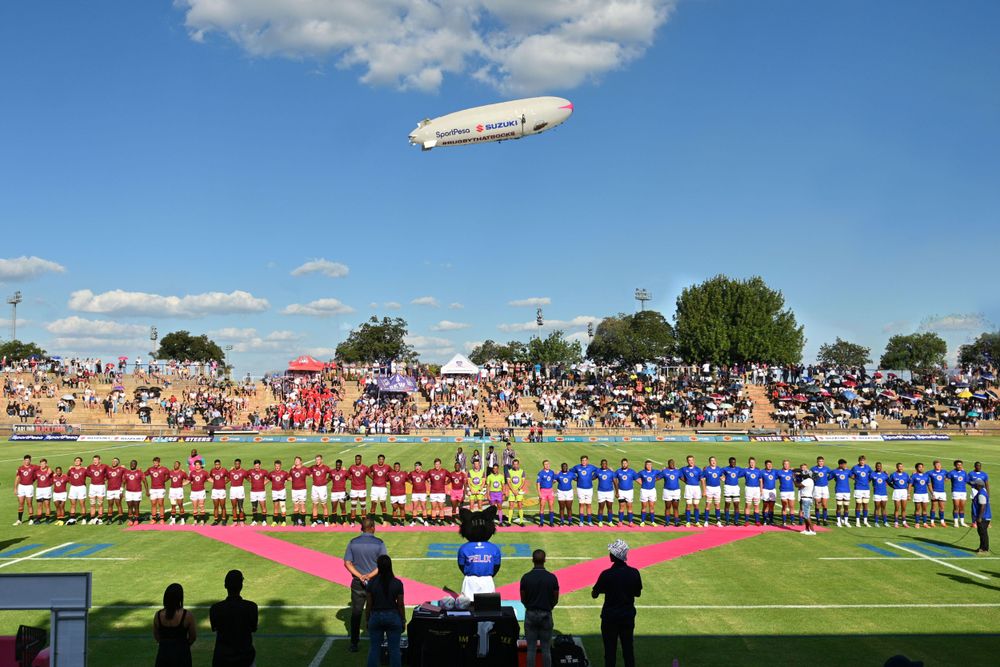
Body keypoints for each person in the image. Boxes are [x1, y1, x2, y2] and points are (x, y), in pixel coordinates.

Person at [591, 540, 641, 667]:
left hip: (610, 617)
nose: (609, 554)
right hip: (627, 617)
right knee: (628, 650)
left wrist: (607, 589)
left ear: (615, 555)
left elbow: (594, 594)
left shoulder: (606, 574)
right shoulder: (634, 572)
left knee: (610, 652)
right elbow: (637, 593)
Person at [344, 516, 388, 653]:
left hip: (358, 583)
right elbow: (382, 564)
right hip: (375, 582)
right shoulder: (379, 543)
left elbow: (347, 563)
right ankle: (379, 641)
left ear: (361, 528)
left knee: (356, 613)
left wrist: (360, 576)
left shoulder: (353, 542)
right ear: (373, 528)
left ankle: (354, 643)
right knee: (378, 612)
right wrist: (369, 576)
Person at [209, 570, 258, 667]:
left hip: (222, 659)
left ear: (225, 585)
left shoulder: (215, 608)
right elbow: (253, 628)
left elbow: (215, 628)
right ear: (241, 585)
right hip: (245, 659)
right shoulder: (251, 607)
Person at [520, 549, 559, 667]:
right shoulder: (552, 578)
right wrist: (549, 607)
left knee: (531, 649)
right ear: (545, 560)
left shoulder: (526, 578)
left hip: (531, 614)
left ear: (532, 560)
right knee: (546, 649)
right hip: (546, 614)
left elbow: (523, 598)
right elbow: (555, 598)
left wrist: (529, 606)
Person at [366, 554, 404, 667]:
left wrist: (367, 620)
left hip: (375, 617)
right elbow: (400, 604)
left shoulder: (371, 583)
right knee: (394, 650)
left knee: (374, 649)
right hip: (393, 617)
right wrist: (403, 620)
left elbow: (369, 604)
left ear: (378, 567)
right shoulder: (397, 583)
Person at [154, 582, 196, 667]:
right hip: (182, 655)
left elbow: (157, 637)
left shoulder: (158, 615)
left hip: (163, 654)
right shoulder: (187, 615)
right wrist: (183, 646)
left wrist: (166, 644)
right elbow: (193, 637)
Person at [969, 478, 991, 554]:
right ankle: (982, 547)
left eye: (975, 484)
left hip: (983, 517)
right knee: (981, 532)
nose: (974, 485)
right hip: (984, 516)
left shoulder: (981, 494)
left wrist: (979, 517)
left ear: (978, 485)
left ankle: (985, 549)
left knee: (983, 533)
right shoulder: (982, 492)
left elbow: (983, 506)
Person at [796, 464, 816, 536]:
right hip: (806, 498)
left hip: (806, 499)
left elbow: (797, 485)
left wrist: (794, 479)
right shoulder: (809, 480)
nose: (803, 475)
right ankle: (807, 529)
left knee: (806, 515)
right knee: (805, 515)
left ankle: (812, 530)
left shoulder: (808, 480)